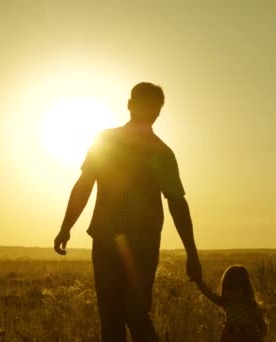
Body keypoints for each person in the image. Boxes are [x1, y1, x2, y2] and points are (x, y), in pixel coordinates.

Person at [53, 82, 202, 342]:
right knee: (117, 316)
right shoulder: (111, 142)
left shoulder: (159, 153)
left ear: (155, 112)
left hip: (136, 244)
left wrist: (192, 252)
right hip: (110, 240)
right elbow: (85, 185)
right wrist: (66, 226)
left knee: (130, 314)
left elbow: (177, 202)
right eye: (146, 106)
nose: (149, 112)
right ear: (131, 105)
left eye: (152, 108)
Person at [196, 265, 267, 342]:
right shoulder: (226, 303)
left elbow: (262, 326)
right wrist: (199, 283)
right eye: (227, 288)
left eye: (234, 288)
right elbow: (209, 294)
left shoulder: (250, 306)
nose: (230, 292)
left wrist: (258, 338)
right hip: (229, 338)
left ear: (244, 288)